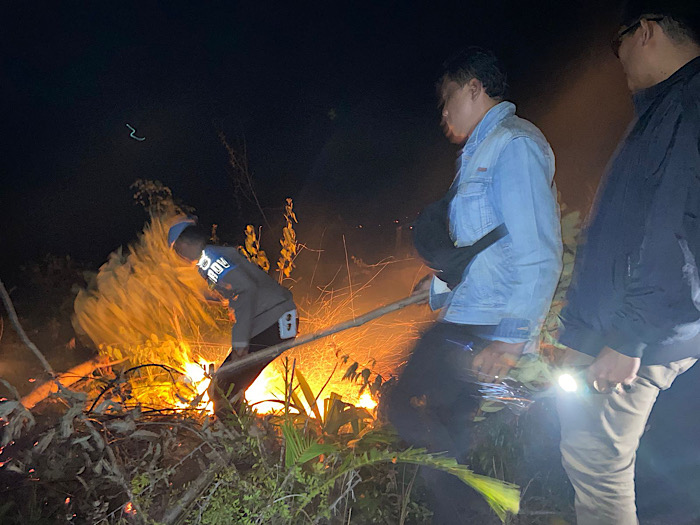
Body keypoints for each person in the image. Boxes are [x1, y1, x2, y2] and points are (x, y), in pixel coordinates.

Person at [386, 47, 562, 523]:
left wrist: (509, 341)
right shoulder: (479, 152)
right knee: (422, 421)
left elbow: (538, 251)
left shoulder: (513, 144)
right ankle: (469, 503)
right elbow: (484, 251)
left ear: (474, 88)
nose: (443, 113)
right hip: (468, 313)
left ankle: (473, 508)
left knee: (423, 422)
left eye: (448, 99)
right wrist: (440, 285)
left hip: (489, 323)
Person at [556, 2, 700, 524]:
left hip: (648, 329)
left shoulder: (684, 106)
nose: (618, 62)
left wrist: (629, 337)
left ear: (646, 32)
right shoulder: (670, 106)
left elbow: (676, 231)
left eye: (620, 46)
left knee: (596, 460)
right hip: (654, 324)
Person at [168, 219, 298, 416]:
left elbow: (245, 290)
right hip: (275, 319)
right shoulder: (212, 257)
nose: (179, 256)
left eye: (177, 250)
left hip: (274, 321)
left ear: (184, 244)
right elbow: (235, 289)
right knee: (225, 384)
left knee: (223, 386)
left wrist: (240, 343)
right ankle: (238, 433)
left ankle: (233, 435)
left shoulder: (211, 259)